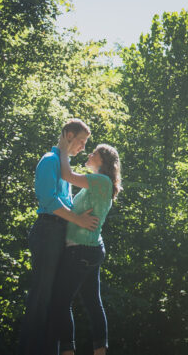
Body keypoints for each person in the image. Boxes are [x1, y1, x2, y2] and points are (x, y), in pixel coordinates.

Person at [19, 119, 99, 355]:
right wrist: (79, 220)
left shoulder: (64, 167)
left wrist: (81, 217)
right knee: (41, 296)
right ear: (68, 135)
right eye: (81, 141)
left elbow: (66, 204)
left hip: (60, 233)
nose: (83, 148)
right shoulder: (50, 160)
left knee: (56, 301)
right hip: (47, 232)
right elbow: (48, 200)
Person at [50, 143, 121, 355]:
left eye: (94, 153)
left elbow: (66, 174)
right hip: (89, 249)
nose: (89, 154)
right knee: (92, 303)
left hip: (80, 251)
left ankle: (67, 351)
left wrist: (63, 149)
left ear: (103, 160)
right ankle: (99, 351)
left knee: (60, 302)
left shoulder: (101, 181)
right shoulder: (97, 184)